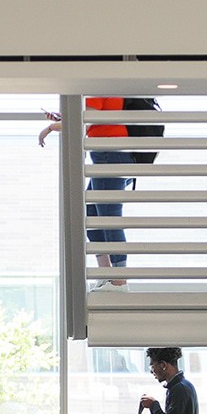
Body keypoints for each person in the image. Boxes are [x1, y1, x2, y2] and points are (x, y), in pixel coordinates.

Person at [39, 96, 160, 285]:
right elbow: (86, 118)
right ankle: (106, 275)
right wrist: (63, 118)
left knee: (108, 218)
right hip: (118, 157)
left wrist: (49, 129)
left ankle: (119, 282)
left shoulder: (99, 91)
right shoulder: (108, 91)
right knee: (92, 214)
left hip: (109, 156)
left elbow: (81, 122)